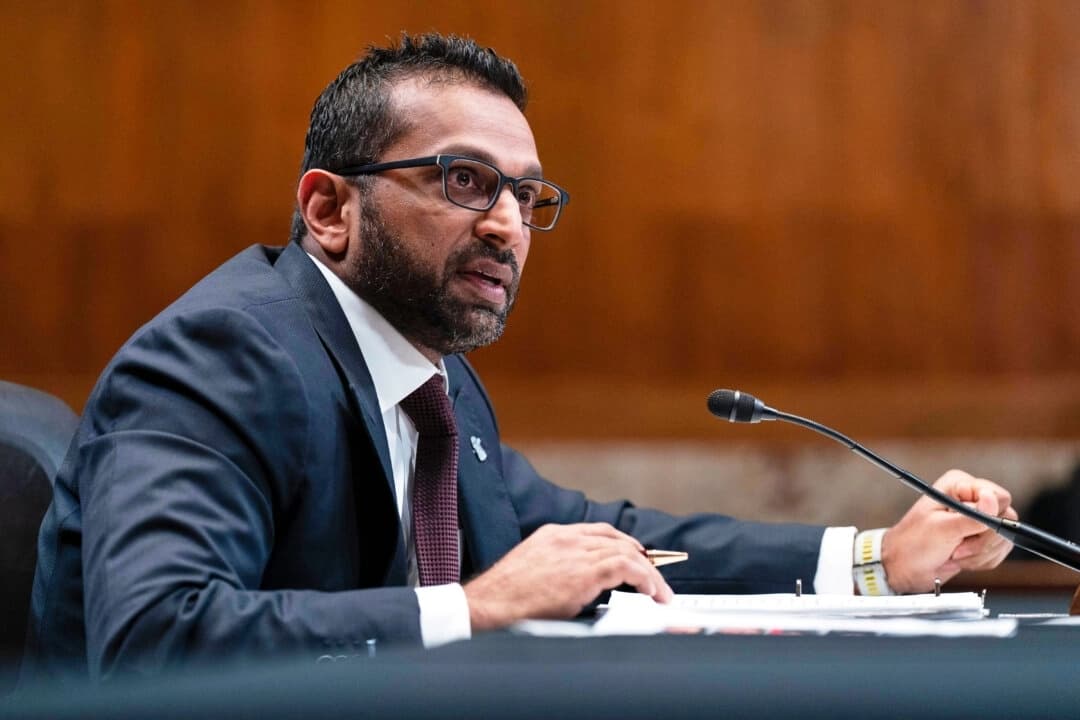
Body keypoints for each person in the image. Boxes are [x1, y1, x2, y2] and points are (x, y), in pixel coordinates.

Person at [25, 33, 1016, 682]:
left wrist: (877, 561)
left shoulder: (429, 372)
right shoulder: (221, 357)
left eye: (527, 196)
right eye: (464, 181)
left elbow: (591, 536)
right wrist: (479, 604)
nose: (507, 225)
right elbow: (154, 636)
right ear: (330, 208)